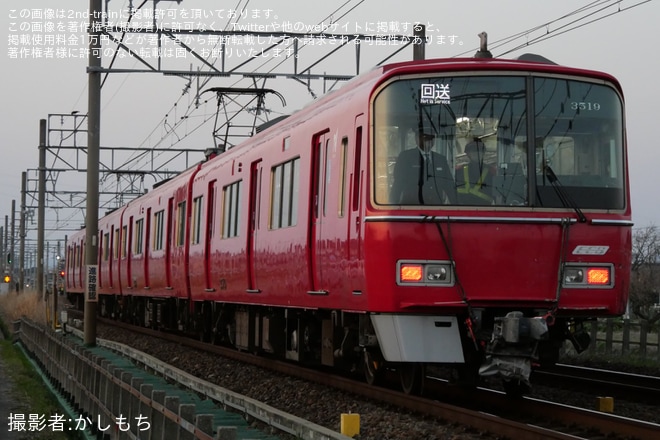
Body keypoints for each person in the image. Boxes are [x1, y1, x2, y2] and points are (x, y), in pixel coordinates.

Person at [390, 132, 457, 205]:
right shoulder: (406, 157)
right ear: (417, 139)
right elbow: (398, 183)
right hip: (412, 206)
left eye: (431, 138)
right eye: (425, 137)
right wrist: (393, 204)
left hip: (436, 207)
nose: (429, 140)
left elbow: (449, 186)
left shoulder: (440, 159)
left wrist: (457, 205)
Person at [456, 139, 494, 205]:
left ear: (483, 153)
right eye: (473, 151)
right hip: (461, 209)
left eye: (479, 151)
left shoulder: (492, 172)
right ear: (468, 154)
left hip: (485, 209)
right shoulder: (458, 171)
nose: (477, 153)